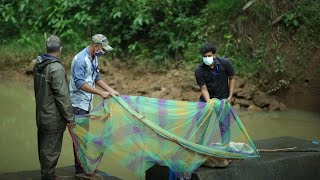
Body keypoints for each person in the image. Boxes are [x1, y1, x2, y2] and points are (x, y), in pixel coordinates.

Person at [69, 34, 119, 175]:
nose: (104, 52)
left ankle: (82, 166)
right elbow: (79, 83)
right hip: (77, 104)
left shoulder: (94, 57)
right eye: (103, 49)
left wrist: (110, 90)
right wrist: (101, 93)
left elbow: (96, 78)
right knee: (80, 138)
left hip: (87, 103)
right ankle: (80, 170)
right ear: (96, 46)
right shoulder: (80, 60)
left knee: (84, 137)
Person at [33, 35, 75, 180]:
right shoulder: (56, 68)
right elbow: (62, 96)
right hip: (53, 118)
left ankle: (47, 174)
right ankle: (49, 176)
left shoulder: (39, 64)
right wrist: (70, 118)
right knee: (51, 150)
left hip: (41, 114)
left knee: (44, 148)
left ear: (46, 48)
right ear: (60, 49)